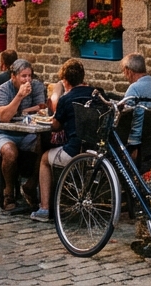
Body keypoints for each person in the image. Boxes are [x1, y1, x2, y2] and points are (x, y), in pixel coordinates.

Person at [30, 59, 99, 222]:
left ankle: (44, 208)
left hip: (75, 151)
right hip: (95, 149)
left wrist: (52, 118)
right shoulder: (97, 93)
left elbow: (56, 126)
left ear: (65, 81)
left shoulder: (66, 99)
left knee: (44, 159)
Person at [0, 59, 48, 210]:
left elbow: (41, 108)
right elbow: (4, 117)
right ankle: (9, 193)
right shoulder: (3, 89)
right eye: (23, 76)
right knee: (10, 152)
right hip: (2, 132)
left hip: (27, 133)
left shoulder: (36, 86)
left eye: (29, 76)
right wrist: (19, 96)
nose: (27, 80)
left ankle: (30, 185)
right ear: (13, 76)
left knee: (45, 147)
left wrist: (23, 111)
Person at [120, 53, 151, 147]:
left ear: (128, 71)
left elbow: (125, 116)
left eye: (123, 71)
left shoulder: (134, 88)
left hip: (138, 141)